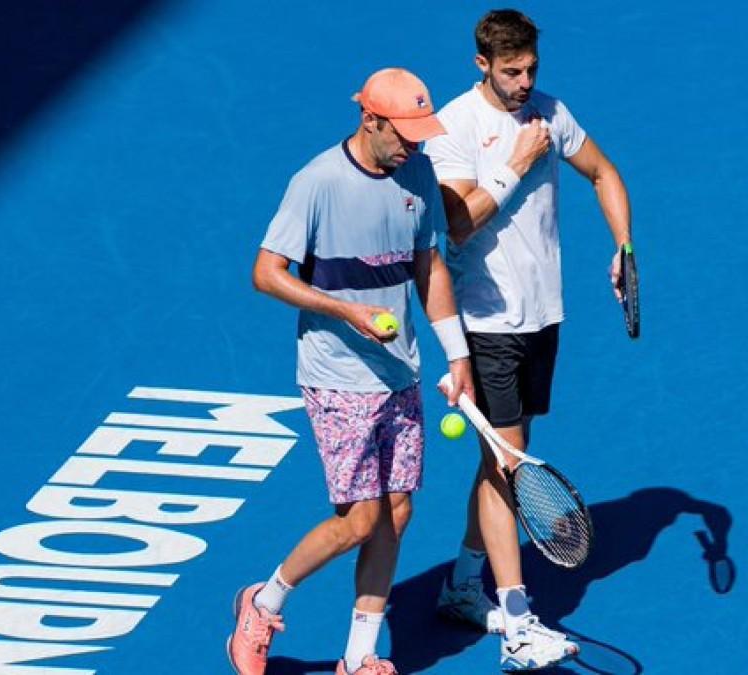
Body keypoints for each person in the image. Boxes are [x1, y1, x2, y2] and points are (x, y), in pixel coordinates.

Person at [227, 67, 475, 675]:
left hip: (400, 373)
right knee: (360, 520)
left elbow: (428, 265)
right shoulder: (316, 183)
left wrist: (457, 352)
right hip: (337, 375)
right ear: (370, 119)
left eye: (421, 133)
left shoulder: (415, 169)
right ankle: (262, 601)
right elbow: (266, 273)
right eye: (403, 132)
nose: (413, 145)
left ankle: (360, 657)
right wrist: (345, 311)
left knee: (396, 513)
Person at [424, 9, 633, 672]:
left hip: (543, 316)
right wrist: (515, 164)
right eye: (511, 71)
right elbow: (458, 224)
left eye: (531, 69)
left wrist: (624, 246)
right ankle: (516, 622)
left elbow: (604, 172)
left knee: (510, 456)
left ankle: (461, 584)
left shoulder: (550, 111)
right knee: (508, 462)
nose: (524, 82)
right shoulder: (453, 127)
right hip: (486, 322)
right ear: (481, 64)